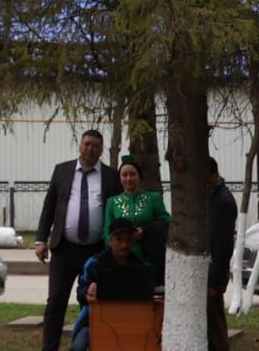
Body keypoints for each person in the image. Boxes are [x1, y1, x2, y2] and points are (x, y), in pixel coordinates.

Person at [34, 130, 121, 351]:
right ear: (80, 145)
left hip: (96, 251)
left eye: (95, 146)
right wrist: (40, 240)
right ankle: (49, 348)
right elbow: (49, 207)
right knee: (55, 302)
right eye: (87, 144)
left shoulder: (111, 176)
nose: (90, 149)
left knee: (95, 302)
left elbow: (116, 212)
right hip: (63, 248)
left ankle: (92, 345)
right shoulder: (62, 170)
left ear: (101, 150)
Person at [69, 219, 148, 351]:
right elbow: (80, 293)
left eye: (128, 240)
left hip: (131, 323)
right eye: (119, 240)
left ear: (133, 242)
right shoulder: (94, 263)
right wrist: (88, 290)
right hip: (94, 323)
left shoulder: (141, 266)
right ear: (110, 240)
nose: (124, 245)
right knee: (78, 347)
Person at [103, 155, 171, 279]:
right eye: (124, 175)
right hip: (120, 259)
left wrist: (146, 231)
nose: (128, 178)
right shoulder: (112, 202)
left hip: (148, 257)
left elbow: (165, 222)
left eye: (132, 174)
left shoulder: (153, 198)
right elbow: (106, 231)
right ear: (119, 178)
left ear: (140, 176)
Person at [207, 157, 237, 351]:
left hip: (214, 274)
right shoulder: (212, 196)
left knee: (215, 325)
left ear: (214, 175)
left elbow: (223, 245)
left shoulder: (222, 201)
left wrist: (213, 281)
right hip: (210, 270)